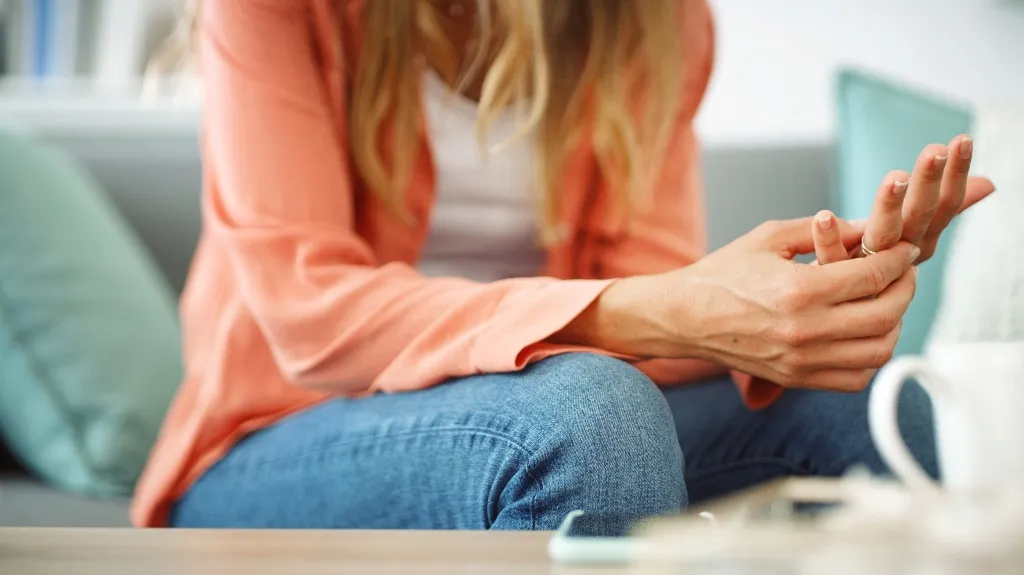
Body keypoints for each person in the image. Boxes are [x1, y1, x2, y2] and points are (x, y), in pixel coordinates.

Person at [131, 0, 996, 529]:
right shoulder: (274, 9)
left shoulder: (656, 21)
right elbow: (309, 316)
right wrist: (667, 309)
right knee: (593, 416)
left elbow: (657, 314)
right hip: (283, 431)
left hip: (543, 407)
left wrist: (799, 302)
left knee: (875, 413)